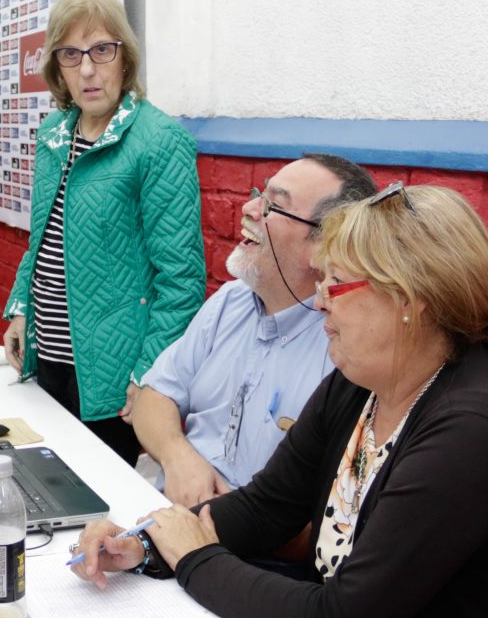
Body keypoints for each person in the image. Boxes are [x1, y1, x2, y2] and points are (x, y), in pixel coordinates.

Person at [70, 184, 488, 617]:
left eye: (335, 284)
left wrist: (193, 558)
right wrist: (147, 544)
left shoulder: (473, 430)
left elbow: (344, 614)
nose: (318, 302)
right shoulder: (364, 380)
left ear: (410, 301)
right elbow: (267, 508)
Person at [2, 0, 204, 466]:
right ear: (57, 68)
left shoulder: (159, 142)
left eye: (102, 50)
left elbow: (182, 282)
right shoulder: (54, 134)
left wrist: (149, 373)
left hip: (115, 377)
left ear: (125, 58)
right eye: (71, 55)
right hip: (47, 353)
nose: (88, 69)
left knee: (100, 513)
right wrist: (21, 306)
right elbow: (43, 240)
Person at [128, 155, 376, 507]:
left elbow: (332, 515)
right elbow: (155, 395)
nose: (249, 208)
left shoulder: (344, 346)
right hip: (168, 523)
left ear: (323, 244)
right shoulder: (232, 299)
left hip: (254, 552)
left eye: (273, 205)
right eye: (260, 193)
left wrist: (222, 520)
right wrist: (177, 457)